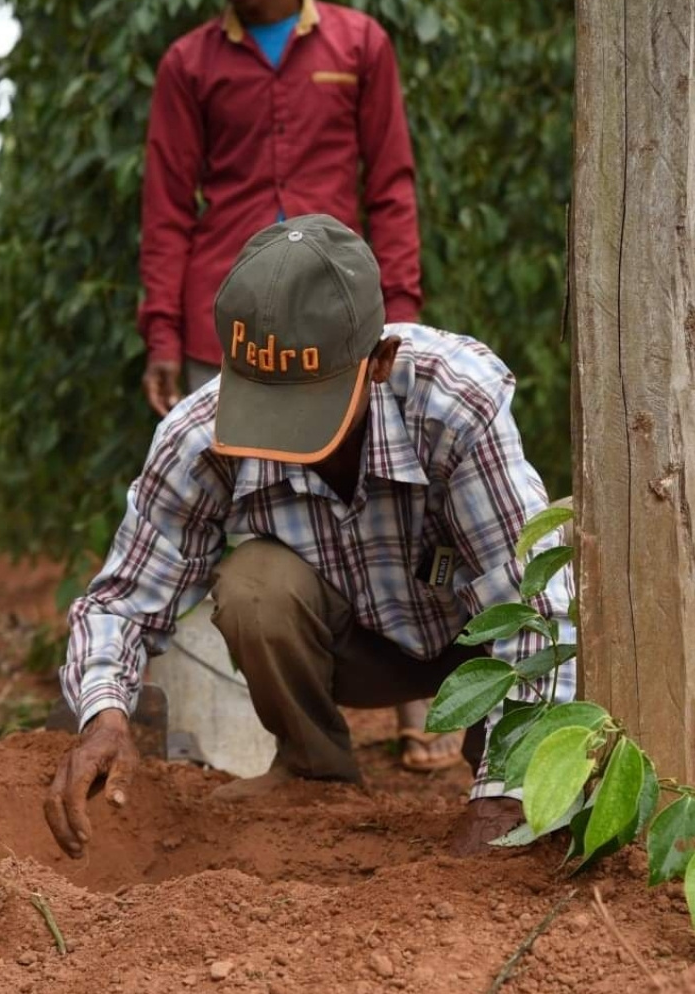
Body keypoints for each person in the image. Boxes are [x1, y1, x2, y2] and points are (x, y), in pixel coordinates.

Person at [44, 215, 576, 860]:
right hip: (347, 647)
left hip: (473, 638)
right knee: (254, 586)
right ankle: (312, 771)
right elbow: (120, 602)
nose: (283, 435)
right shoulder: (198, 435)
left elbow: (532, 600)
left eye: (309, 403)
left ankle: (504, 761)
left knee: (568, 565)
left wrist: (506, 792)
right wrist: (105, 716)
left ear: (378, 361)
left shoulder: (451, 399)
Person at [137, 0, 450, 770]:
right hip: (233, 320)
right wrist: (164, 332)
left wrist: (397, 318)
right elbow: (169, 204)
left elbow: (391, 185)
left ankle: (420, 715)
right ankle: (256, 733)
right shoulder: (191, 63)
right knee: (242, 514)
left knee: (394, 497)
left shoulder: (360, 43)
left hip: (339, 318)